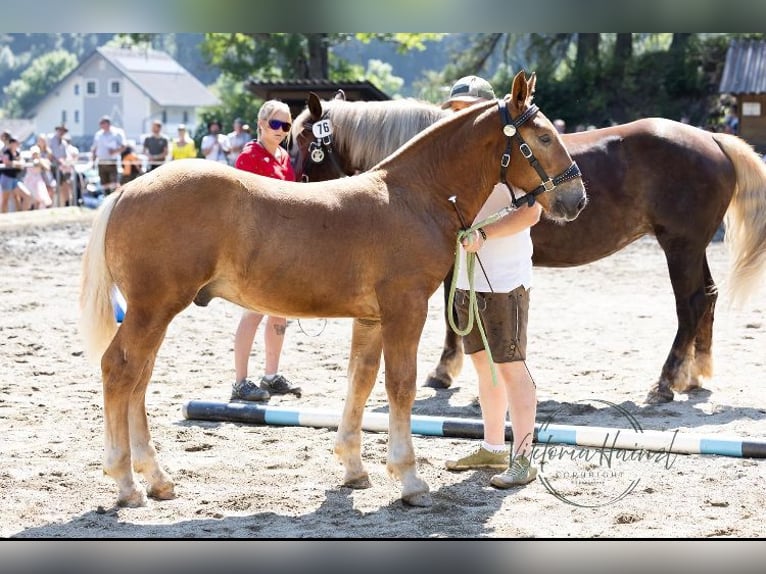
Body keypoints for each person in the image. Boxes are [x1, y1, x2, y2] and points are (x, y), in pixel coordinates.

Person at [440, 76, 541, 489]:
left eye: (466, 109)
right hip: (468, 280)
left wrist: (485, 234)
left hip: (504, 281)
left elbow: (531, 212)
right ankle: (493, 447)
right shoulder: (451, 162)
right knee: (484, 368)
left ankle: (524, 458)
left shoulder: (512, 158)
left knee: (510, 366)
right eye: (455, 110)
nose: (457, 117)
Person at [228, 100, 302, 402]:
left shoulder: (285, 157)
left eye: (286, 126)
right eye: (275, 124)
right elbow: (243, 206)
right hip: (258, 248)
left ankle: (270, 375)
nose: (281, 131)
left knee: (280, 313)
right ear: (261, 124)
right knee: (254, 312)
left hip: (282, 246)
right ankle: (240, 381)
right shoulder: (249, 157)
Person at [91, 115, 125, 194]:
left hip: (112, 161)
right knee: (104, 184)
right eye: (100, 123)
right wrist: (93, 161)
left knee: (114, 184)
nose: (101, 125)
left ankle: (116, 202)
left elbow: (123, 146)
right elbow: (94, 149)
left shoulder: (117, 133)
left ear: (108, 123)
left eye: (103, 123)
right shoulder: (98, 134)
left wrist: (115, 151)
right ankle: (106, 201)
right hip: (101, 162)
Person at [1, 137, 31, 213]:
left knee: (25, 196)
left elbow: (22, 162)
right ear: (11, 144)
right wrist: (17, 163)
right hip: (7, 178)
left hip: (15, 179)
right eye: (15, 143)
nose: (17, 145)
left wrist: (16, 163)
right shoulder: (6, 152)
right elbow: (7, 163)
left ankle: (22, 215)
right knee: (5, 200)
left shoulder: (17, 153)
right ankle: (3, 217)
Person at [48, 124, 74, 206]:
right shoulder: (51, 139)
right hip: (53, 167)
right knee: (55, 186)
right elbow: (50, 153)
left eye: (63, 131)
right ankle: (55, 204)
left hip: (62, 167)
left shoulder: (63, 143)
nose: (61, 132)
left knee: (65, 184)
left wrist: (65, 162)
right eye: (60, 130)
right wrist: (58, 160)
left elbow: (65, 155)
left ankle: (66, 203)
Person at [23, 145, 53, 210]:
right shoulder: (29, 160)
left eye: (36, 153)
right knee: (31, 198)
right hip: (29, 181)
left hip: (38, 181)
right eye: (34, 153)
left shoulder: (41, 160)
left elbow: (47, 168)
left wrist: (40, 162)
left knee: (41, 198)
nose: (35, 155)